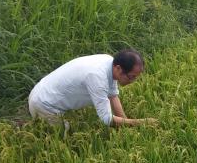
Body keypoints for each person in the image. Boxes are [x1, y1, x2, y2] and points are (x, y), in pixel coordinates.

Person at [28, 49, 157, 128]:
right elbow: (107, 119)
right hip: (42, 103)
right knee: (65, 133)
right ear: (118, 68)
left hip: (42, 92)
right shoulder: (97, 78)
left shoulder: (109, 62)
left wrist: (126, 122)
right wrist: (141, 122)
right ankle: (26, 127)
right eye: (131, 77)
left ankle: (31, 124)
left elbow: (112, 95)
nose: (132, 81)